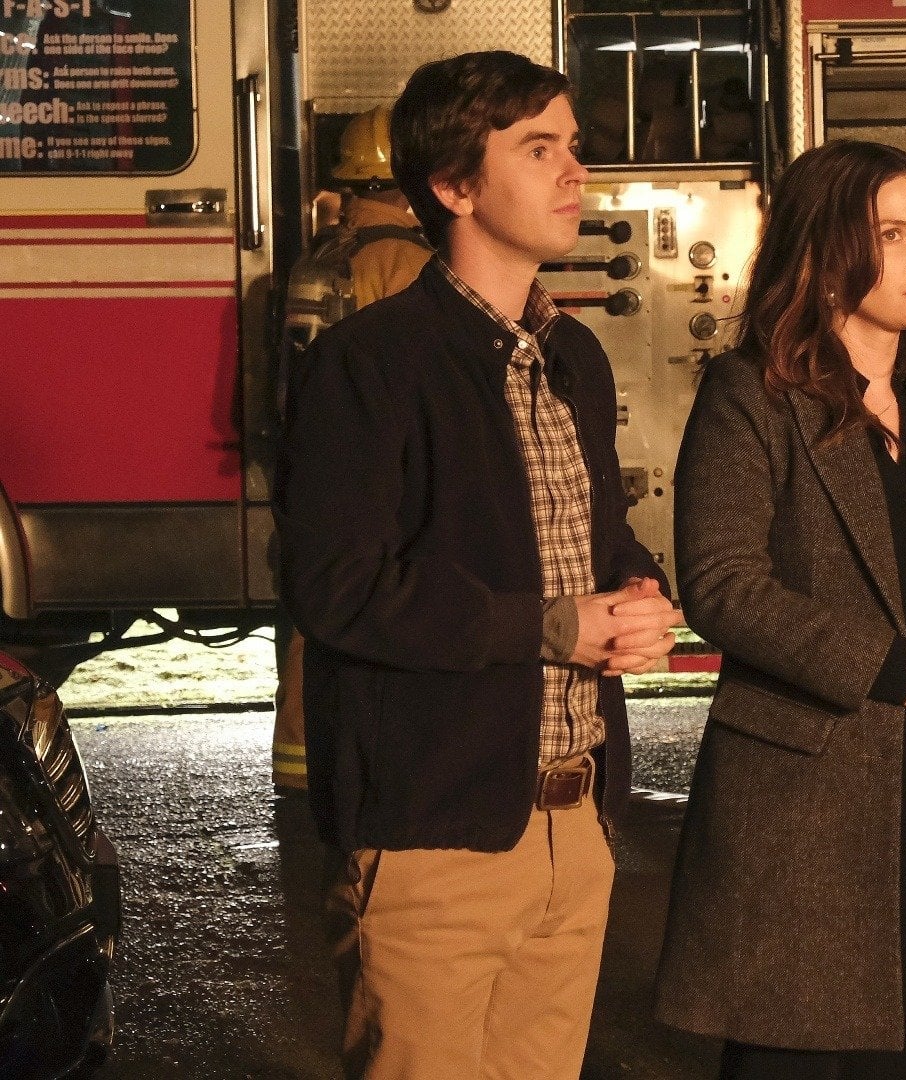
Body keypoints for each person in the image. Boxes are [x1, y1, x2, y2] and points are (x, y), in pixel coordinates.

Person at [274, 51, 680, 1080]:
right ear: (454, 185)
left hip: (574, 826)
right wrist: (552, 626)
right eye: (538, 150)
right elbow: (338, 587)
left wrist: (638, 588)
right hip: (433, 839)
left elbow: (594, 534)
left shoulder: (574, 356)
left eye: (574, 146)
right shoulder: (371, 362)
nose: (576, 171)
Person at [654, 139, 906, 1079]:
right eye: (892, 234)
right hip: (811, 787)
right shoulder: (753, 395)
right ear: (826, 248)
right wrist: (893, 667)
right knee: (793, 1056)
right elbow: (721, 582)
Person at [273, 102, 433, 795]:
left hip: (311, 457)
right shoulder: (407, 261)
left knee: (315, 612)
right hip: (378, 463)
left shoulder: (321, 257)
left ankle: (302, 758)